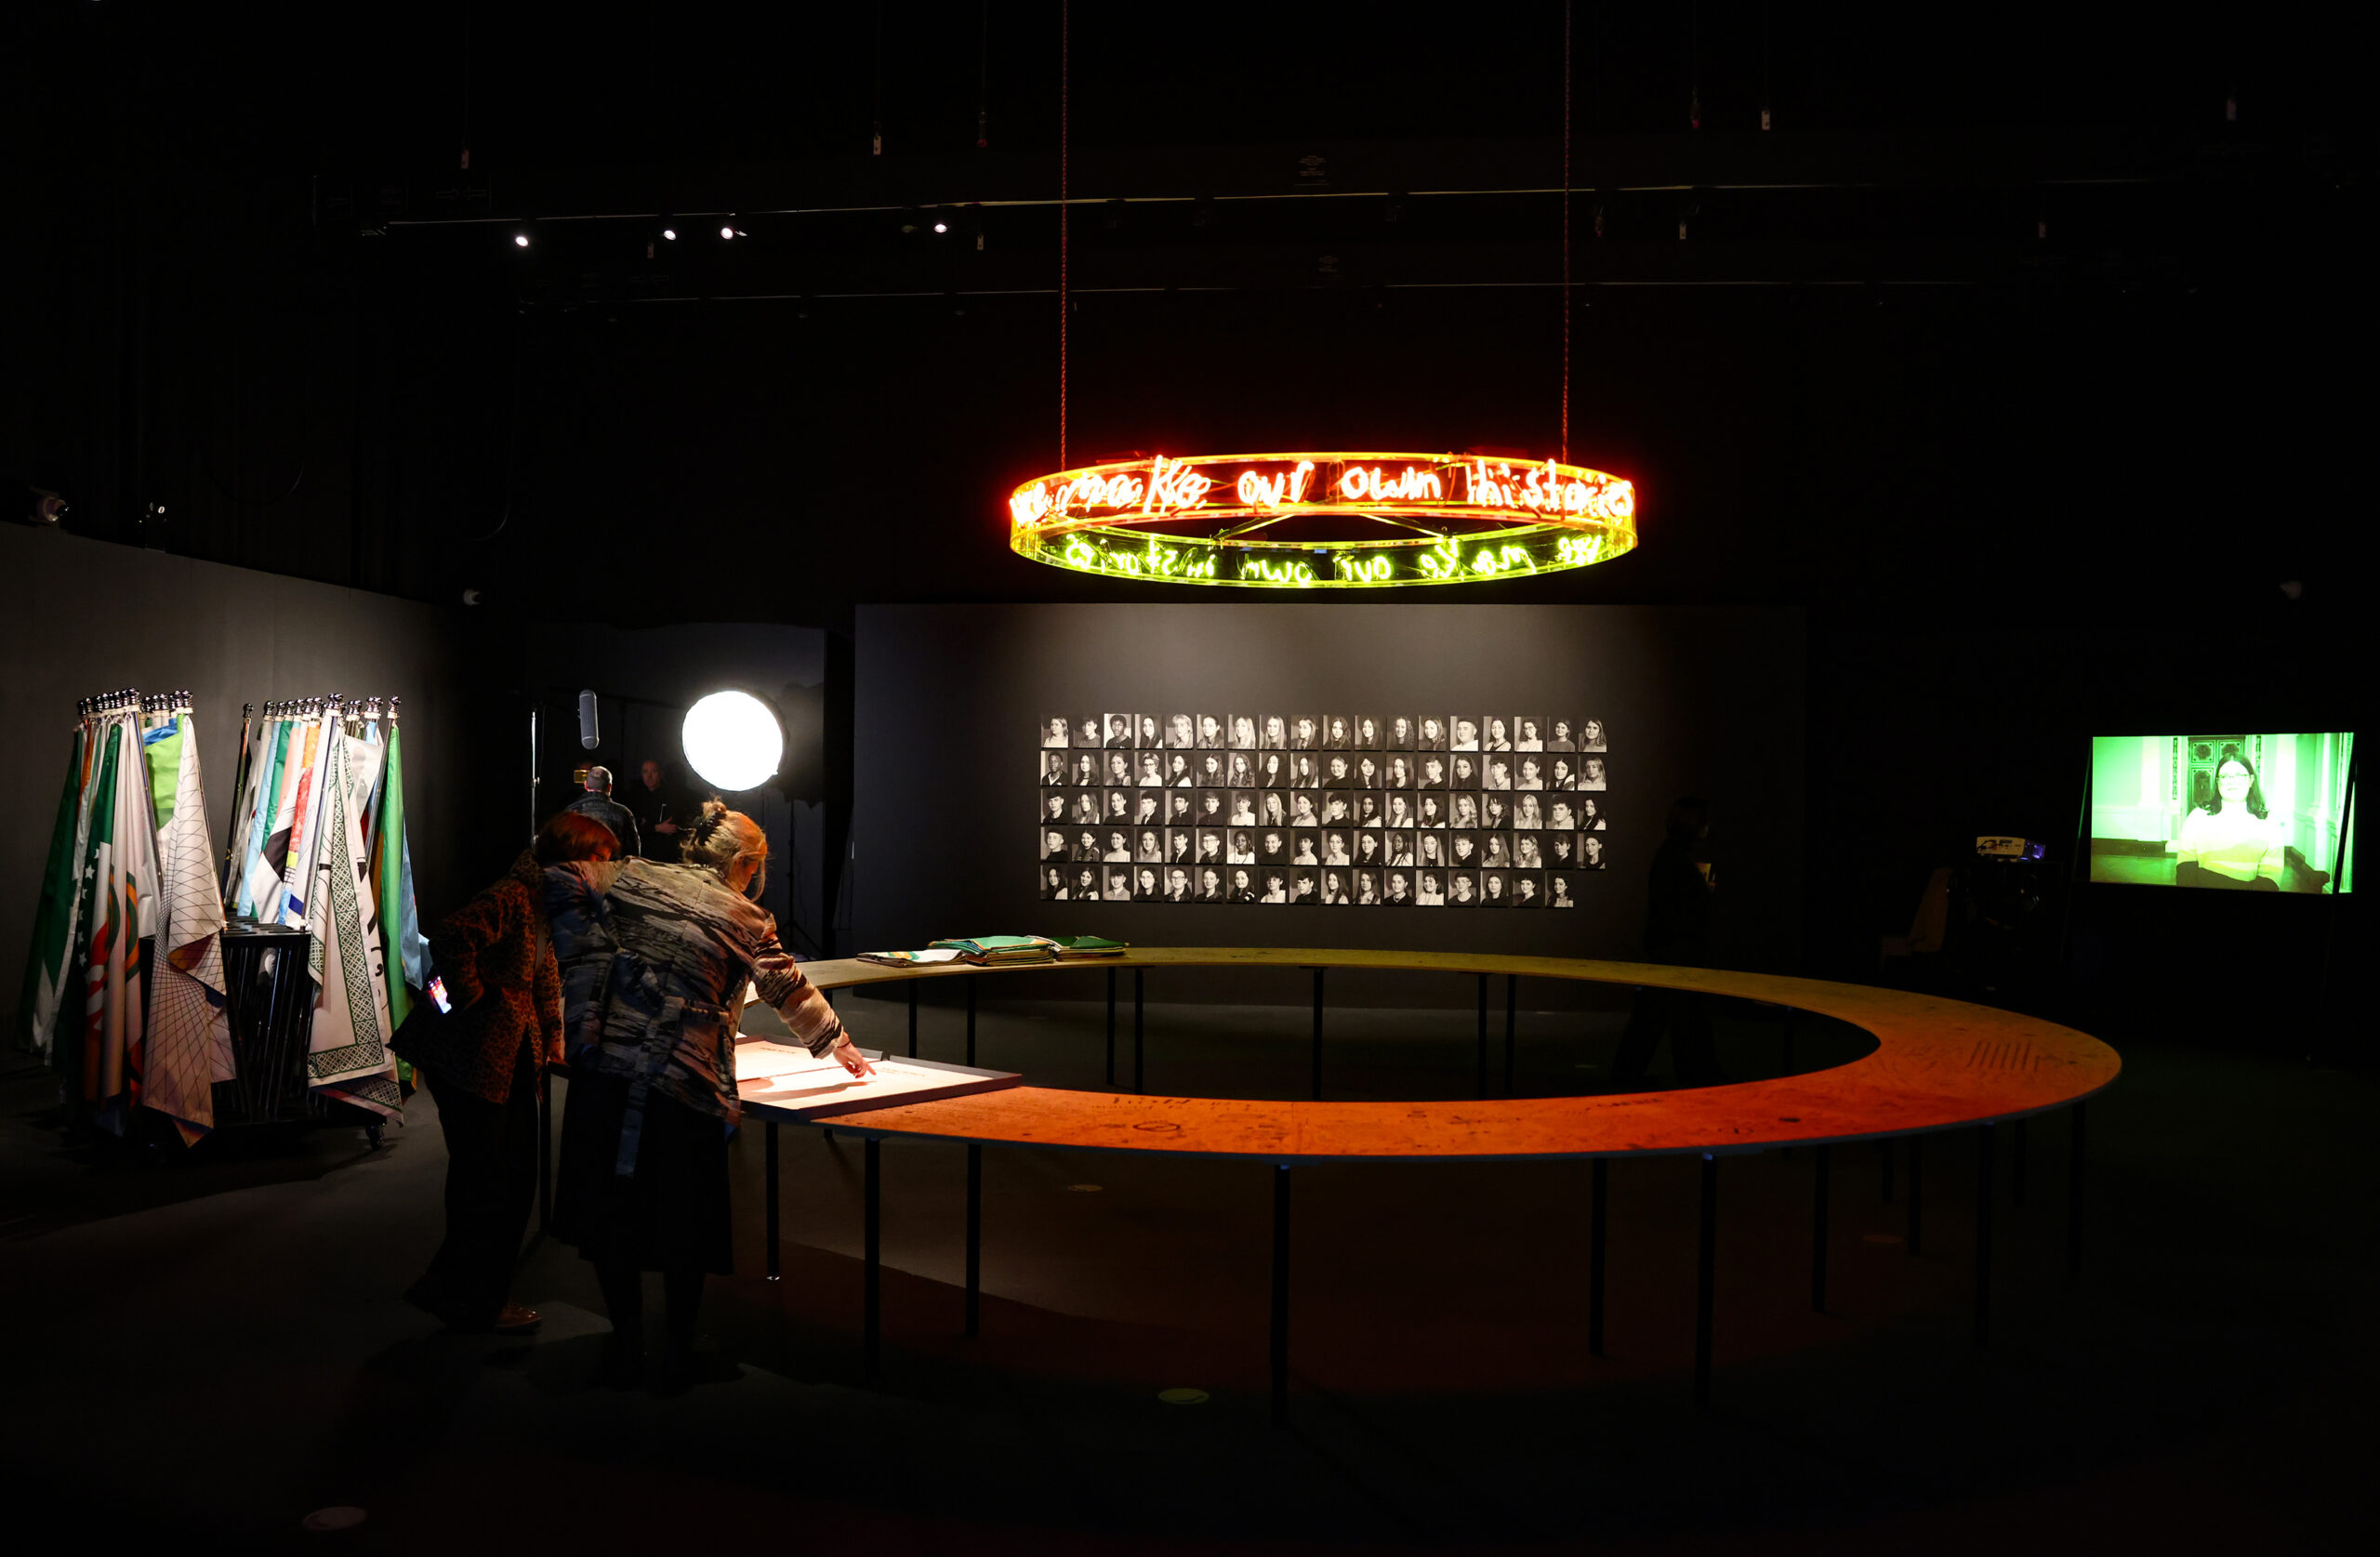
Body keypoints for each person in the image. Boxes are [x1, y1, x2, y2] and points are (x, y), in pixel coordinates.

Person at [543, 802, 871, 1389]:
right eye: (757, 865)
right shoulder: (747, 917)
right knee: (683, 1221)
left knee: (613, 1216)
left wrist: (596, 968)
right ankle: (676, 1348)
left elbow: (557, 876)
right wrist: (837, 1042)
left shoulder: (630, 873)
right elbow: (786, 986)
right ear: (745, 863)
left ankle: (627, 1340)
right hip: (684, 1082)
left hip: (609, 1069)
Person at [399, 811, 615, 1335]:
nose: (605, 872)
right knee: (492, 1181)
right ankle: (478, 1301)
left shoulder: (541, 899)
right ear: (574, 857)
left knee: (498, 1177)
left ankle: (449, 1284)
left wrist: (553, 1038)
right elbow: (451, 937)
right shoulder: (516, 895)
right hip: (474, 1058)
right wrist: (476, 996)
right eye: (600, 860)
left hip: (501, 1057)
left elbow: (543, 971)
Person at [1607, 798, 1721, 1089]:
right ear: (1694, 826)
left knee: (1658, 1019)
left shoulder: (1669, 856)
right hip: (1675, 954)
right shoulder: (1676, 861)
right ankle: (1694, 1077)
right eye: (1703, 823)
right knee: (1672, 1018)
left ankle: (1631, 1077)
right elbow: (1679, 909)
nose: (1707, 828)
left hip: (1669, 952)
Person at [2175, 748, 2286, 888]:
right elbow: (2185, 869)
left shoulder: (2269, 823)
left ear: (2251, 780)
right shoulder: (2197, 817)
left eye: (2239, 775)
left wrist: (2208, 877)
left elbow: (2271, 877)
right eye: (2225, 776)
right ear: (2217, 782)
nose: (2232, 781)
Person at [566, 767, 642, 858]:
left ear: (586, 785)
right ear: (609, 787)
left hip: (578, 866)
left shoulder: (570, 812)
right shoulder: (623, 813)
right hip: (613, 866)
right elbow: (634, 853)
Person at [628, 759, 683, 861]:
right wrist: (656, 828)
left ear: (660, 774)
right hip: (642, 854)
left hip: (663, 853)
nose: (649, 776)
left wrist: (647, 826)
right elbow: (632, 829)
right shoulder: (636, 797)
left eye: (653, 771)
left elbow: (671, 827)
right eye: (645, 772)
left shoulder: (671, 796)